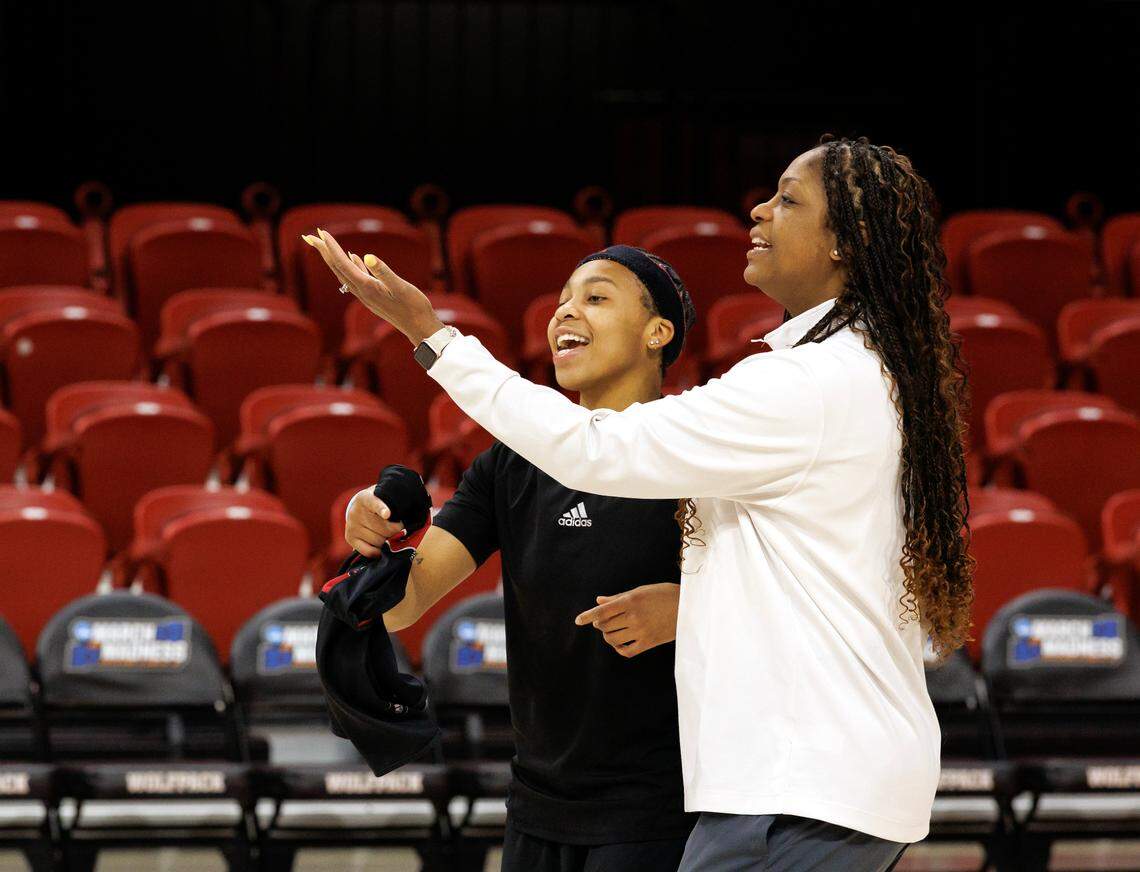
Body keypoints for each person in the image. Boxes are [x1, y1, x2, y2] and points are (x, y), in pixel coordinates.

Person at [307, 133, 976, 870]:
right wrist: (373, 537)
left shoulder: (779, 402)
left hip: (758, 793)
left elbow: (597, 450)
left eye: (787, 199)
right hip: (622, 799)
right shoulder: (845, 379)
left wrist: (430, 334)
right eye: (562, 298)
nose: (758, 210)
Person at [337, 245, 701, 870]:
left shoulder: (698, 452)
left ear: (657, 332)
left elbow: (782, 605)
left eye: (595, 298)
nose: (565, 313)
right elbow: (404, 605)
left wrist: (690, 611)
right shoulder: (513, 460)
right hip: (535, 805)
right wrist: (372, 536)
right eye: (562, 300)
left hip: (661, 811)